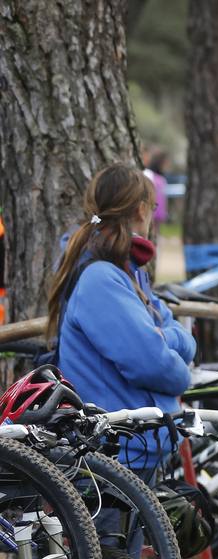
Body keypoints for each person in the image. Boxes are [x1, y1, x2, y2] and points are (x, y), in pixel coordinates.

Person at [46, 163, 196, 472]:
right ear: (142, 210)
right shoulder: (101, 279)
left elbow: (174, 333)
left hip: (132, 448)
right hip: (117, 455)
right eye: (154, 208)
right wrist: (176, 361)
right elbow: (153, 364)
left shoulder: (127, 271)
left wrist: (165, 337)